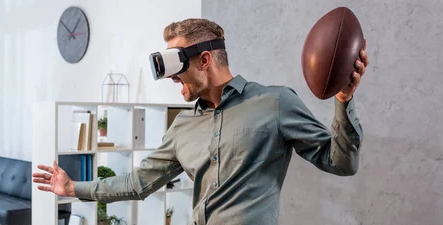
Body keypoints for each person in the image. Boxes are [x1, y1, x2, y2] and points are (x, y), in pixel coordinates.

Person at [33, 18, 369, 225]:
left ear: (205, 59)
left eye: (176, 69)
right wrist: (73, 188)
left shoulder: (276, 103)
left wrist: (343, 100)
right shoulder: (182, 127)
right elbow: (137, 183)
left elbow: (341, 163)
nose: (170, 80)